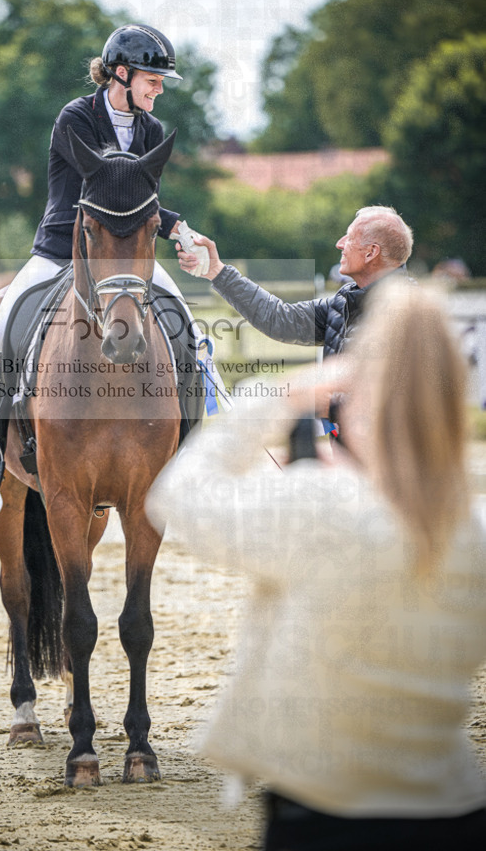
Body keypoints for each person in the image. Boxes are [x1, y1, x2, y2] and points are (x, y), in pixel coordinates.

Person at [146, 280, 486, 850]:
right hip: (456, 804)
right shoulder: (473, 530)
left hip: (329, 812)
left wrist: (279, 396)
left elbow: (175, 497)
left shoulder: (321, 506)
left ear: (362, 398)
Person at [0, 23, 229, 443]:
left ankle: (187, 447)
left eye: (161, 82)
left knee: (187, 329)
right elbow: (110, 189)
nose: (159, 90)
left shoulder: (151, 130)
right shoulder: (76, 117)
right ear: (121, 74)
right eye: (153, 80)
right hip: (62, 249)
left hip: (128, 253)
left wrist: (182, 233)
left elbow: (143, 204)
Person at [177, 205, 413, 428]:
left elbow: (402, 404)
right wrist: (217, 271)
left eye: (349, 238)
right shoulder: (344, 302)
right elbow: (280, 319)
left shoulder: (409, 315)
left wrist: (324, 405)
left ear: (371, 252)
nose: (339, 244)